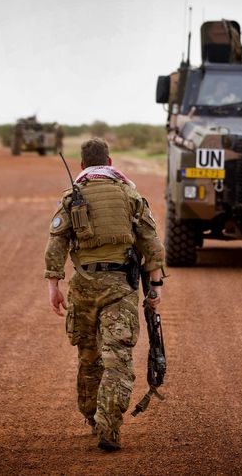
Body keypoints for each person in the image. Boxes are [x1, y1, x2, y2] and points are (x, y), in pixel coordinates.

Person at [44, 138, 165, 452]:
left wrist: (53, 285)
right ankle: (108, 427)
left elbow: (56, 242)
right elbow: (151, 242)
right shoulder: (129, 194)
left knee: (88, 355)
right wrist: (155, 288)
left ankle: (91, 415)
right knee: (118, 359)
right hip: (120, 288)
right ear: (110, 162)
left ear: (83, 165)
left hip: (83, 287)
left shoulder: (72, 196)